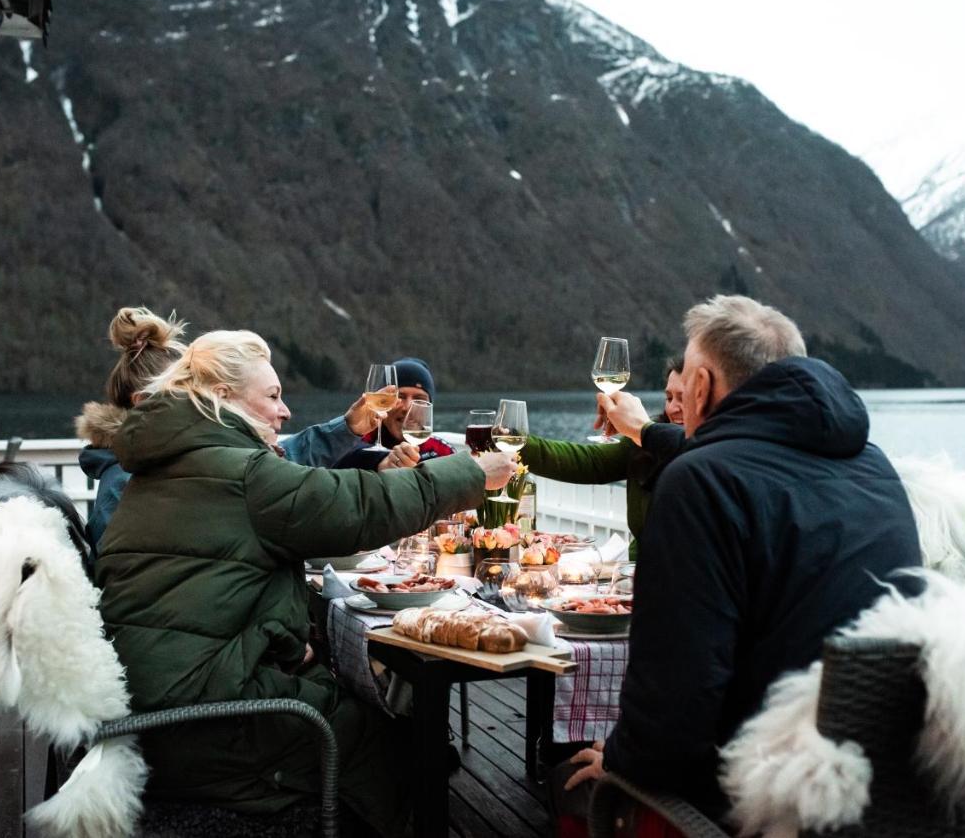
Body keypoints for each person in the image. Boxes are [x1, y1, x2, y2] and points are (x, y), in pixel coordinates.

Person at [95, 329, 516, 837]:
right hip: (205, 725)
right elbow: (359, 506)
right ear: (223, 398)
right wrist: (469, 473)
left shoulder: (166, 466)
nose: (285, 410)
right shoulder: (240, 471)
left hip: (153, 707)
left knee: (376, 714)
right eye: (273, 396)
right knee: (394, 743)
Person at [559, 295, 922, 823]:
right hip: (886, 784)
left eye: (683, 378)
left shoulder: (701, 482)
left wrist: (618, 757)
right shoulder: (871, 463)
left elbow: (670, 723)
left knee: (563, 784)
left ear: (701, 387)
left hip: (763, 797)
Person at [76, 307, 398, 550]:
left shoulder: (186, 456)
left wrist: (347, 427)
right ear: (144, 403)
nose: (207, 408)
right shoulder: (124, 484)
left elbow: (282, 458)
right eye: (190, 396)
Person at [520, 357, 686, 560]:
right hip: (637, 575)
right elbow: (590, 462)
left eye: (683, 399)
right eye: (669, 398)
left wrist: (642, 429)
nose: (673, 408)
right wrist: (513, 442)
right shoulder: (642, 443)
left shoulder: (714, 457)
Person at [335, 357, 456, 470]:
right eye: (400, 396)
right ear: (382, 401)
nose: (408, 407)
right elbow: (338, 458)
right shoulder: (356, 441)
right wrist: (383, 461)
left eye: (419, 399)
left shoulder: (442, 451)